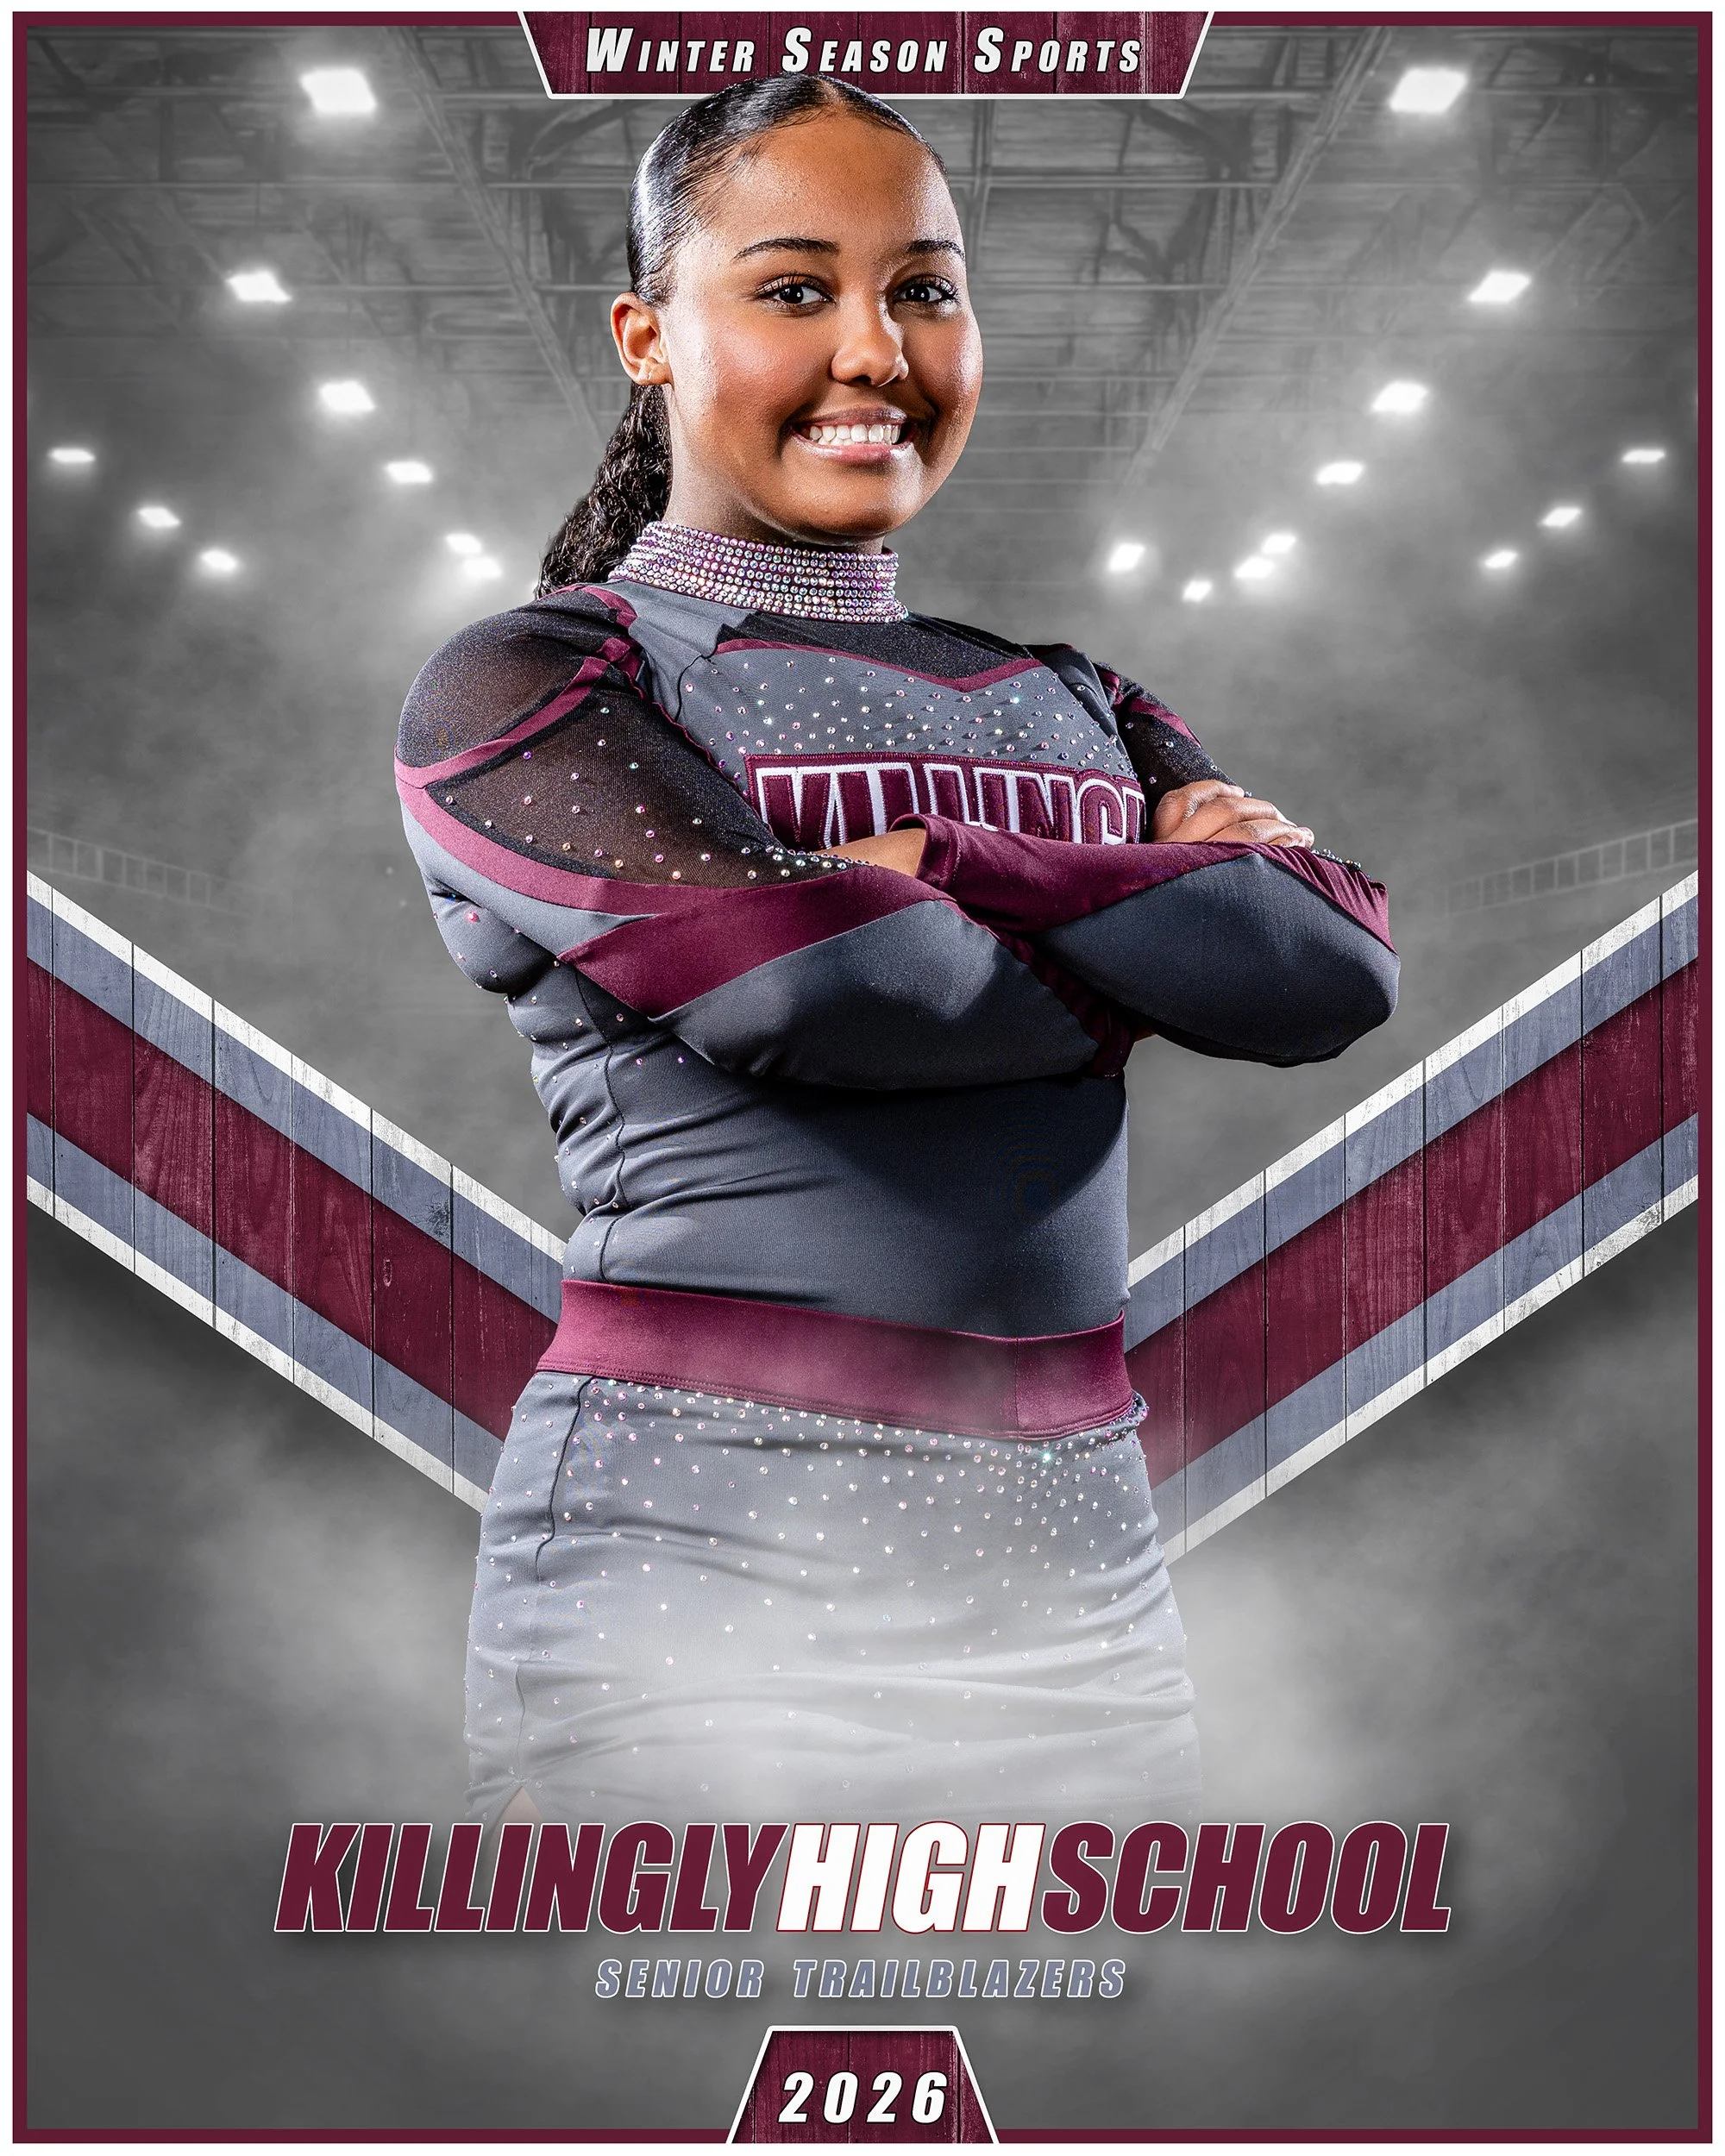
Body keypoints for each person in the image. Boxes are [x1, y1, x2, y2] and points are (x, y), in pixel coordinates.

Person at [394, 78, 1397, 1831]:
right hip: (694, 1568)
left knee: (1101, 2011)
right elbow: (817, 987)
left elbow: (1327, 968)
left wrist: (934, 863)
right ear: (648, 335)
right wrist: (1145, 923)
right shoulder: (531, 677)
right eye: (795, 289)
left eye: (923, 288)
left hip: (1083, 1587)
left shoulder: (1075, 690)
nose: (876, 350)